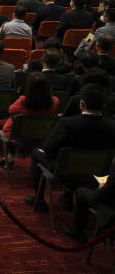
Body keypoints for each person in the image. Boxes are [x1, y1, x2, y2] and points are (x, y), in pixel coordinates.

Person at [27, 84, 115, 213]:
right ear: (103, 105)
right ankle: (68, 195)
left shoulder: (67, 123)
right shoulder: (112, 127)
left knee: (36, 153)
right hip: (98, 172)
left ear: (82, 104)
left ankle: (39, 199)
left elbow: (49, 148)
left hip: (64, 170)